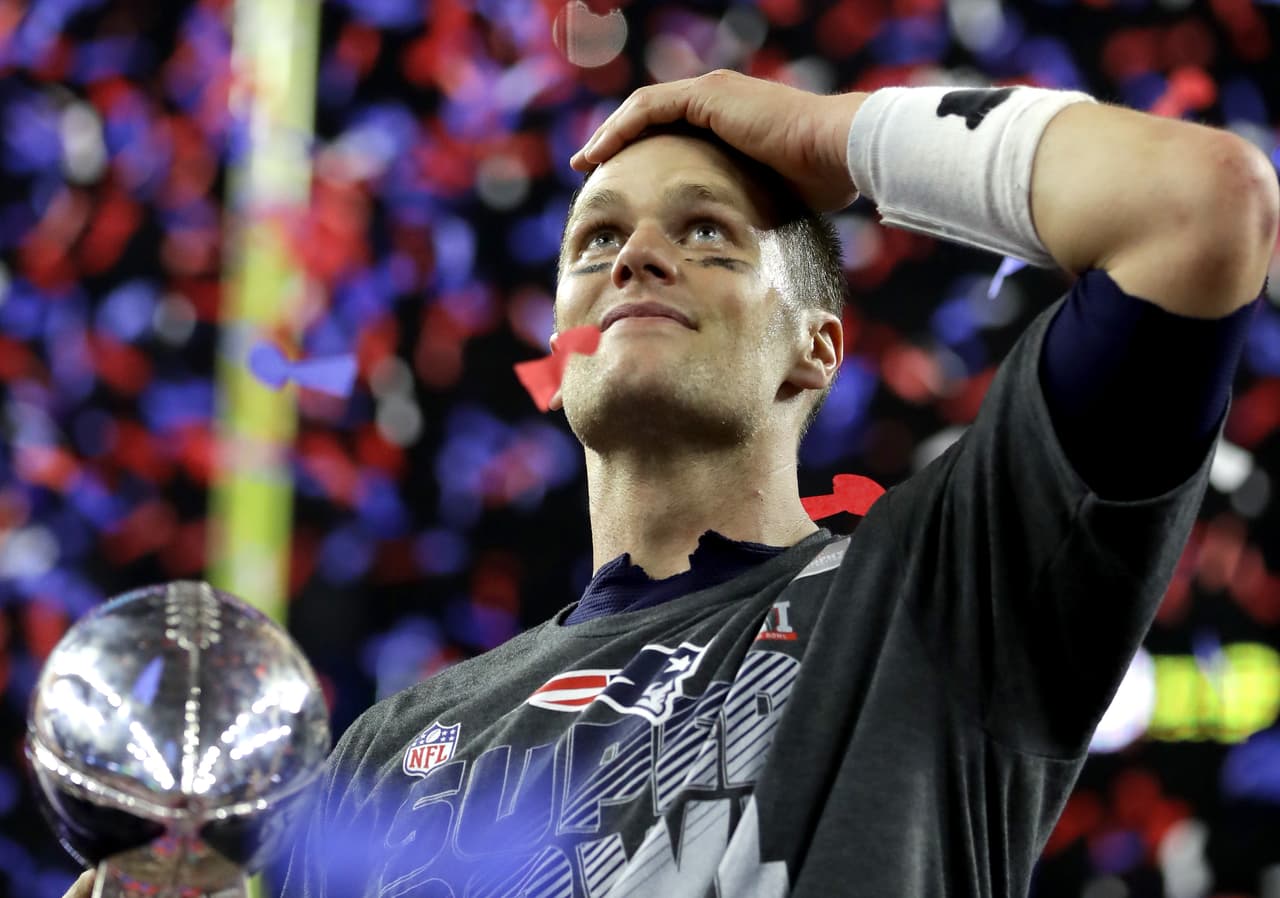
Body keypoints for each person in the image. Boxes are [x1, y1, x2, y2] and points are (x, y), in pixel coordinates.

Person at [65, 70, 1277, 898]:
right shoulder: (394, 743)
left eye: (707, 232)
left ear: (816, 344)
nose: (633, 252)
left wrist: (833, 137)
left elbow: (1192, 205)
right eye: (595, 240)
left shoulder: (935, 585)